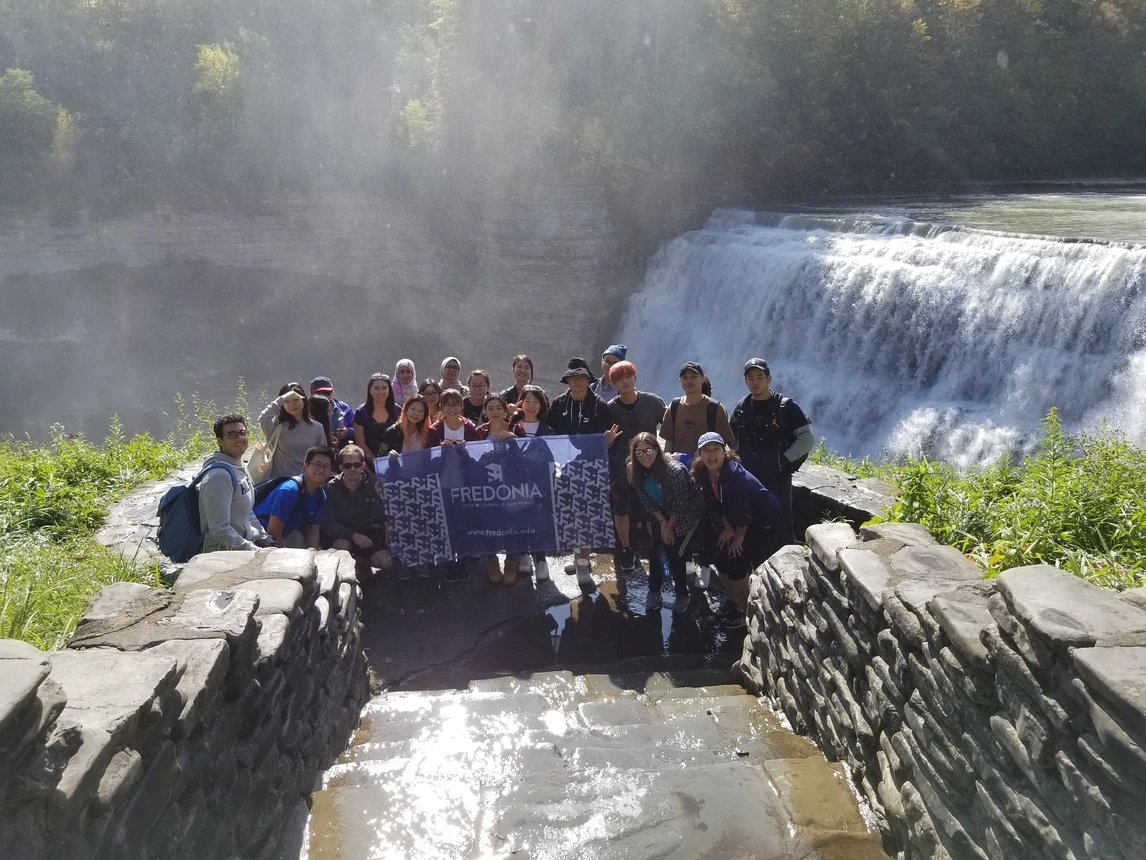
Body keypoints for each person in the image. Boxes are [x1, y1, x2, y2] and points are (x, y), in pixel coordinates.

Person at [691, 432, 781, 623]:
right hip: (737, 519)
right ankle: (736, 601)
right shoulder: (703, 473)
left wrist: (738, 536)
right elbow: (715, 503)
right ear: (700, 454)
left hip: (762, 520)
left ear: (725, 451)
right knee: (721, 555)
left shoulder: (733, 475)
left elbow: (743, 510)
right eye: (706, 450)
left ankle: (747, 611)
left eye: (716, 449)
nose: (711, 454)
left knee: (737, 557)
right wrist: (728, 527)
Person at [546, 358, 622, 585]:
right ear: (567, 380)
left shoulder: (599, 405)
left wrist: (607, 442)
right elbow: (549, 432)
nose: (577, 381)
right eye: (573, 377)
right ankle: (576, 554)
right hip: (565, 468)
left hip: (591, 469)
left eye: (581, 377)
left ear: (588, 380)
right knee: (569, 514)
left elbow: (608, 441)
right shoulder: (559, 404)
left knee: (586, 516)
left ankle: (582, 563)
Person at [730, 358, 814, 546]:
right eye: (750, 378)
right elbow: (732, 439)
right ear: (745, 381)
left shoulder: (786, 407)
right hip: (748, 478)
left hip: (777, 478)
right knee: (750, 527)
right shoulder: (740, 408)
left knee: (782, 525)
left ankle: (787, 568)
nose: (755, 382)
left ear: (769, 378)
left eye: (760, 377)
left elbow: (807, 438)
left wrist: (783, 460)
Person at [628, 432, 705, 613]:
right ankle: (654, 591)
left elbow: (681, 503)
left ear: (657, 450)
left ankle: (682, 594)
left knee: (674, 551)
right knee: (654, 549)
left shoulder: (674, 471)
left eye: (648, 451)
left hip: (686, 511)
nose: (644, 456)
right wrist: (663, 523)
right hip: (661, 510)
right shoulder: (634, 470)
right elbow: (646, 500)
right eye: (639, 453)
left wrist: (669, 527)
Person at [605, 360, 666, 574]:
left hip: (649, 467)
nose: (625, 381)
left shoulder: (653, 402)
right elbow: (605, 441)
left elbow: (670, 427)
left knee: (653, 509)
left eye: (628, 376)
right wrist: (608, 442)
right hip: (620, 469)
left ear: (635, 377)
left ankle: (657, 548)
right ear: (614, 383)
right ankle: (627, 550)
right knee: (620, 509)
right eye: (619, 379)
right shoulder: (610, 409)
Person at [198, 414, 275, 552]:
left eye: (242, 433)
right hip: (224, 553)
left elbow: (246, 511)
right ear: (220, 441)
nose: (239, 438)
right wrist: (254, 550)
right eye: (232, 435)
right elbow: (220, 529)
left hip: (244, 544)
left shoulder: (238, 466)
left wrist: (263, 536)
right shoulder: (219, 477)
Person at [473, 393, 527, 586]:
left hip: (511, 487)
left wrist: (512, 441)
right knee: (488, 525)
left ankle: (511, 562)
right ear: (485, 411)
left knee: (511, 525)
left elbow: (523, 460)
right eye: (490, 408)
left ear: (506, 410)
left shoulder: (517, 429)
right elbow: (474, 460)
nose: (495, 412)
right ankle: (492, 562)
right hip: (487, 489)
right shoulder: (479, 432)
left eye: (499, 408)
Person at [321, 444, 395, 574]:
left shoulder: (373, 484)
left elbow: (382, 516)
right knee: (342, 546)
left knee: (386, 562)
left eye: (357, 464)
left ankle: (361, 563)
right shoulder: (330, 488)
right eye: (348, 465)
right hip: (343, 535)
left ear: (363, 465)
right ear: (341, 467)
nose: (353, 469)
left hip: (368, 533)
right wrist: (353, 535)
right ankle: (349, 570)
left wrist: (379, 498)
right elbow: (328, 523)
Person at [508, 384, 554, 582]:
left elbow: (553, 458)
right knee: (519, 518)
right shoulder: (511, 426)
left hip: (538, 483)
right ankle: (525, 555)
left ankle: (541, 559)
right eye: (527, 400)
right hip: (514, 482)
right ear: (520, 403)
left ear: (542, 405)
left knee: (538, 520)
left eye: (536, 401)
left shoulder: (547, 430)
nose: (531, 405)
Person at [254, 445, 333, 548]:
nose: (321, 469)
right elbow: (273, 532)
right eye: (317, 464)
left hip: (285, 534)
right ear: (305, 466)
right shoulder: (290, 490)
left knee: (298, 539)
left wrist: (314, 557)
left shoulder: (320, 496)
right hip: (258, 537)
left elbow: (313, 531)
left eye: (326, 466)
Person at [660, 361, 734, 460]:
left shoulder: (715, 408)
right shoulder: (674, 406)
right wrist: (668, 461)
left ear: (703, 379)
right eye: (685, 377)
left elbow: (726, 444)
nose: (689, 381)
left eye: (694, 376)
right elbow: (669, 443)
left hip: (707, 469)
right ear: (680, 380)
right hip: (679, 470)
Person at [258, 383, 329, 481]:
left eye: (296, 400)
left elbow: (322, 457)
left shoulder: (316, 427)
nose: (292, 405)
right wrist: (281, 399)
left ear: (304, 400)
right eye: (287, 401)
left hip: (307, 482)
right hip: (280, 483)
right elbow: (263, 419)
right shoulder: (277, 425)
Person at [353, 373, 398, 461]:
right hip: (369, 463)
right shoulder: (361, 413)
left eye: (384, 388)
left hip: (395, 460)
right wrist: (377, 463)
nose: (381, 392)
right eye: (376, 388)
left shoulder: (397, 411)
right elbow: (361, 444)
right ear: (370, 390)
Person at [310, 376, 353, 447]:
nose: (324, 396)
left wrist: (348, 432)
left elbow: (358, 429)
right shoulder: (308, 411)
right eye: (319, 393)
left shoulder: (345, 409)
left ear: (332, 391)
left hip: (343, 451)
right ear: (311, 393)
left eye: (327, 392)